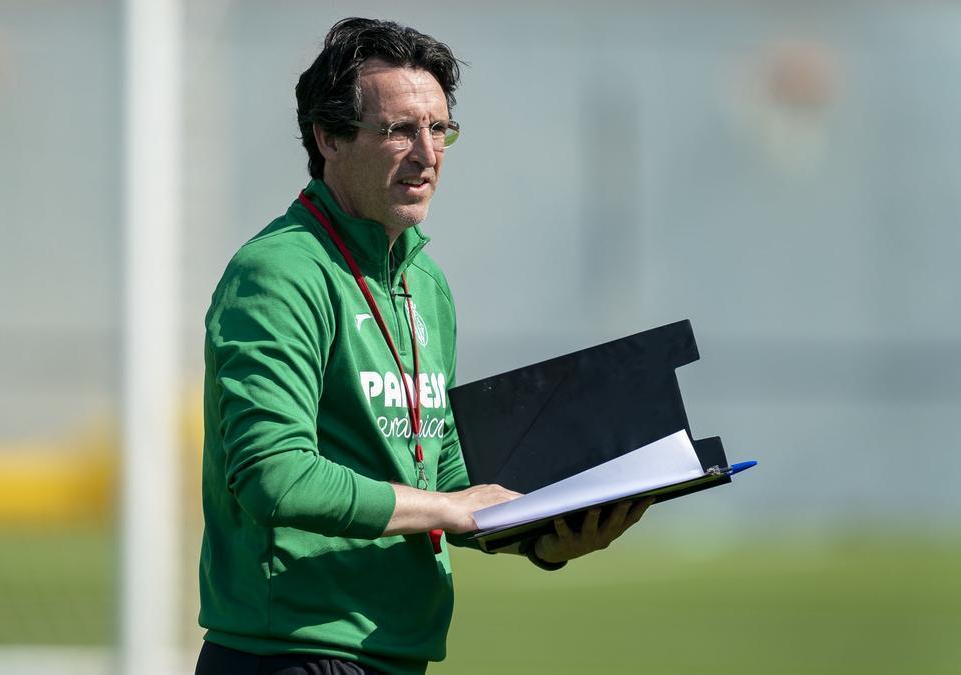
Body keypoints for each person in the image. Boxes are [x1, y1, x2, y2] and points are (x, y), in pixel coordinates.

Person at [196, 18, 652, 675]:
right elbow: (275, 476)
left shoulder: (424, 282)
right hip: (292, 651)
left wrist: (545, 532)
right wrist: (450, 509)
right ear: (328, 137)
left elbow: (437, 477)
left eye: (439, 129)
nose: (426, 152)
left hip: (397, 651)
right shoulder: (279, 271)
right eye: (398, 129)